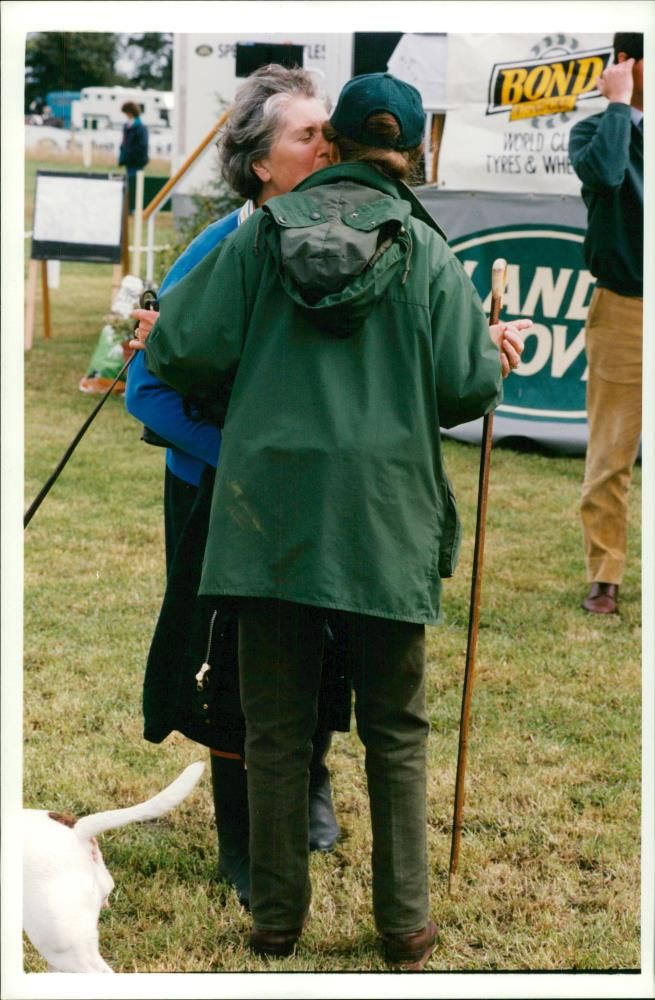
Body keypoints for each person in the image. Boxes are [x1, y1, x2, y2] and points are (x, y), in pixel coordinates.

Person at [141, 71, 526, 969]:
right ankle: (405, 925)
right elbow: (466, 387)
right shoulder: (428, 250)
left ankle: (275, 918)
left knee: (273, 725)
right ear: (413, 152)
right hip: (386, 516)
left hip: (267, 512)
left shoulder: (256, 237)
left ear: (333, 143)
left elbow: (182, 347)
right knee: (396, 726)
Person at [125, 65, 349, 910]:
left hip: (309, 494)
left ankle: (312, 780)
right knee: (234, 667)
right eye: (305, 134)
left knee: (323, 637)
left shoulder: (349, 239)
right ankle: (244, 841)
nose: (326, 144)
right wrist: (254, 456)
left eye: (329, 128)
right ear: (260, 164)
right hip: (221, 495)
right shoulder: (218, 251)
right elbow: (147, 392)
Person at [569, 33, 643, 616]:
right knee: (611, 451)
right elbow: (607, 177)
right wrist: (619, 106)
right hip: (626, 305)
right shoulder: (595, 132)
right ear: (626, 64)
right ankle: (604, 575)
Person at [118, 100, 149, 175]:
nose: (127, 116)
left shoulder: (141, 128)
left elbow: (143, 145)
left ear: (131, 113)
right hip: (128, 161)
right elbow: (124, 143)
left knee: (134, 181)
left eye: (127, 113)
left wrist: (130, 154)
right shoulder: (127, 126)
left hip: (137, 162)